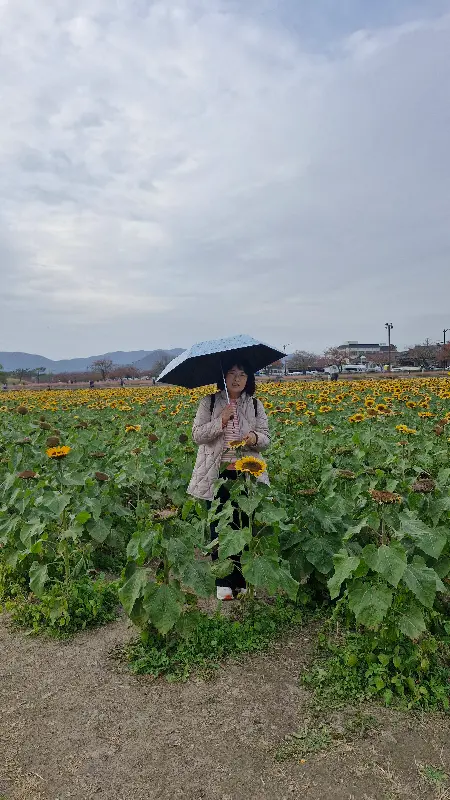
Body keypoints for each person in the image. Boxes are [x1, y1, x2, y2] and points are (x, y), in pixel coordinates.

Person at [187, 361, 270, 600]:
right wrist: (221, 420)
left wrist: (254, 437)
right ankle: (223, 582)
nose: (237, 379)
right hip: (216, 474)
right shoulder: (209, 402)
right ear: (223, 376)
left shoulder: (255, 404)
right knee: (219, 527)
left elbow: (266, 438)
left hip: (247, 474)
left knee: (243, 526)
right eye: (232, 374)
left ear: (248, 379)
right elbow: (197, 435)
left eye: (242, 374)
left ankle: (242, 580)